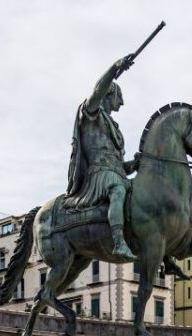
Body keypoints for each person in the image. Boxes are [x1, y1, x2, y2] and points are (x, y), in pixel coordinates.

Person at [63, 53, 139, 261]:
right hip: (98, 174)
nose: (121, 103)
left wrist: (135, 163)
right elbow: (97, 90)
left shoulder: (113, 125)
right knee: (117, 188)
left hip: (114, 172)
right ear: (109, 94)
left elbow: (119, 165)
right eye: (119, 97)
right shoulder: (90, 112)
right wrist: (115, 67)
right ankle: (118, 241)